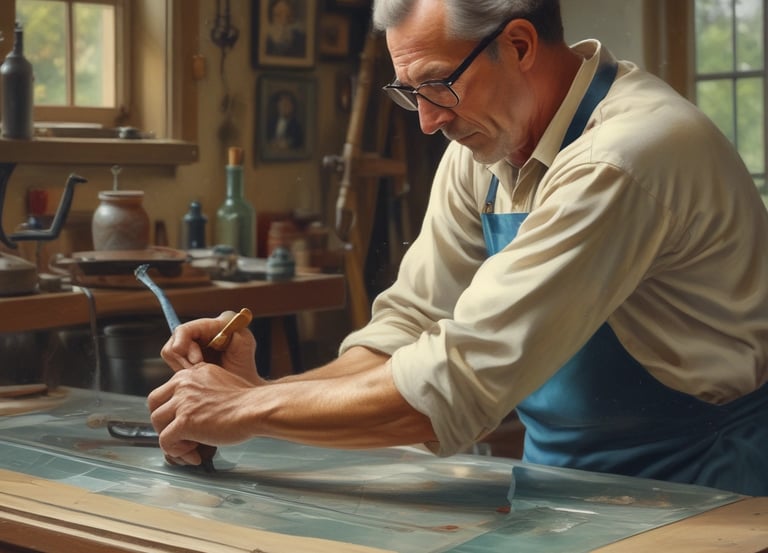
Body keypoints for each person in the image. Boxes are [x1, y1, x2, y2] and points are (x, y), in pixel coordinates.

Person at [148, 0, 768, 496]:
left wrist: (251, 409)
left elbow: (457, 385)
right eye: (408, 91)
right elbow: (407, 327)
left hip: (697, 492)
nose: (425, 120)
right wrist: (255, 394)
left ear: (519, 45)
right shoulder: (486, 150)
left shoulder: (625, 157)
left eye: (437, 84)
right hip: (558, 485)